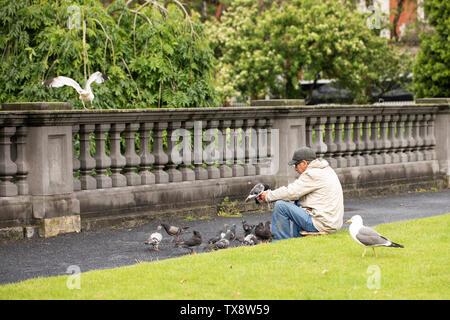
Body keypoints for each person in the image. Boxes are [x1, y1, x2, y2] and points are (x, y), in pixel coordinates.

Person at [260, 146, 344, 241]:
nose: (295, 169)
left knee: (281, 206)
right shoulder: (326, 170)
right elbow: (295, 193)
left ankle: (280, 243)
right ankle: (299, 238)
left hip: (322, 224)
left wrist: (268, 196)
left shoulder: (312, 174)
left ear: (304, 163)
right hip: (331, 223)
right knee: (298, 202)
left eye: (296, 165)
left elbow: (291, 192)